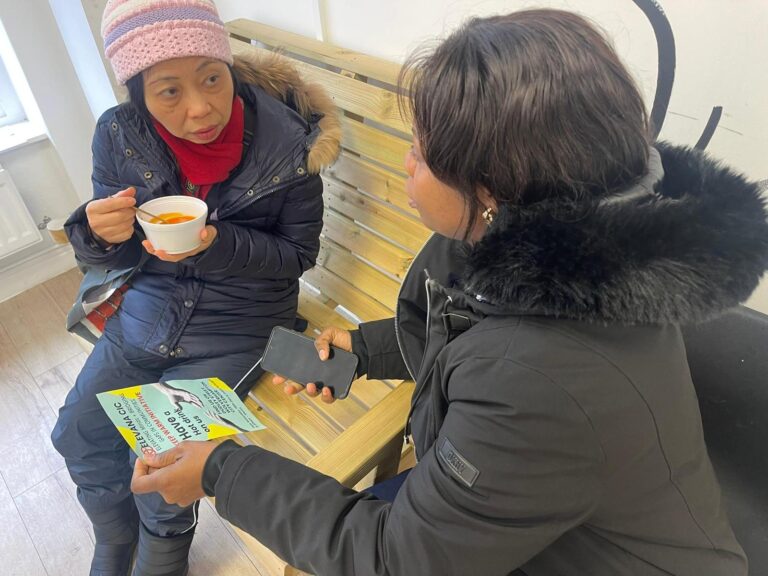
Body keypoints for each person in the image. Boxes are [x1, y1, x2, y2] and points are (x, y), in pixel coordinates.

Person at [132, 9, 766, 576]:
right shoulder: (550, 251)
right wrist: (364, 349)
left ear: (490, 187)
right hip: (520, 519)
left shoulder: (537, 379)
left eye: (422, 151)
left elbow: (397, 558)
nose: (407, 163)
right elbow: (471, 325)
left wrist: (221, 470)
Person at [50, 1, 340, 574]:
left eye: (212, 77)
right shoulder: (120, 134)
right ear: (139, 94)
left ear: (227, 65)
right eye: (169, 91)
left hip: (240, 327)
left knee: (163, 458)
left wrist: (217, 243)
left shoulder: (290, 144)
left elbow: (298, 255)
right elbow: (118, 249)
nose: (201, 107)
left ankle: (163, 555)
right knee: (78, 433)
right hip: (147, 315)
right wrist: (97, 233)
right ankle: (115, 537)